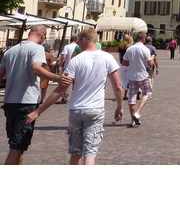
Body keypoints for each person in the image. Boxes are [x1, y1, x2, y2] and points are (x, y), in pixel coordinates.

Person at [24, 27, 123, 165]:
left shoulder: (76, 60)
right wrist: (119, 107)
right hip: (95, 109)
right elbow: (118, 86)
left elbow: (60, 90)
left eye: (78, 42)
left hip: (76, 109)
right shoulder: (107, 58)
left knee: (75, 152)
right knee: (90, 153)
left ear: (84, 40)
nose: (78, 45)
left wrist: (38, 111)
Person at [0, 24, 63, 165]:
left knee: (16, 145)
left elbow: (0, 75)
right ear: (43, 34)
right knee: (17, 146)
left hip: (10, 101)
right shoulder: (37, 48)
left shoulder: (10, 51)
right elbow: (36, 69)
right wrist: (57, 78)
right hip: (26, 101)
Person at [122, 31, 155, 127]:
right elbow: (150, 64)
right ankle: (138, 112)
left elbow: (124, 63)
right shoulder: (145, 49)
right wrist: (152, 58)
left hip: (132, 76)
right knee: (147, 93)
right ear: (143, 39)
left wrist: (132, 64)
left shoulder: (130, 49)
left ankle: (133, 119)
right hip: (142, 75)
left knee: (132, 98)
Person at [57, 36, 78, 103]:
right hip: (77, 67)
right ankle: (76, 97)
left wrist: (60, 65)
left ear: (70, 40)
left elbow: (64, 56)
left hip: (67, 67)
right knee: (76, 83)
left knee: (65, 82)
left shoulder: (67, 47)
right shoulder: (79, 47)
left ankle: (65, 98)